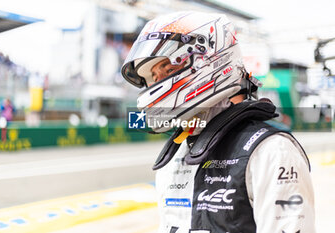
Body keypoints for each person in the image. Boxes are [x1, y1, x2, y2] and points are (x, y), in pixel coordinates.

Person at [121, 11, 315, 233]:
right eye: (155, 76)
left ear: (209, 59)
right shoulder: (176, 155)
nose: (158, 84)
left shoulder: (271, 150)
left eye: (169, 69)